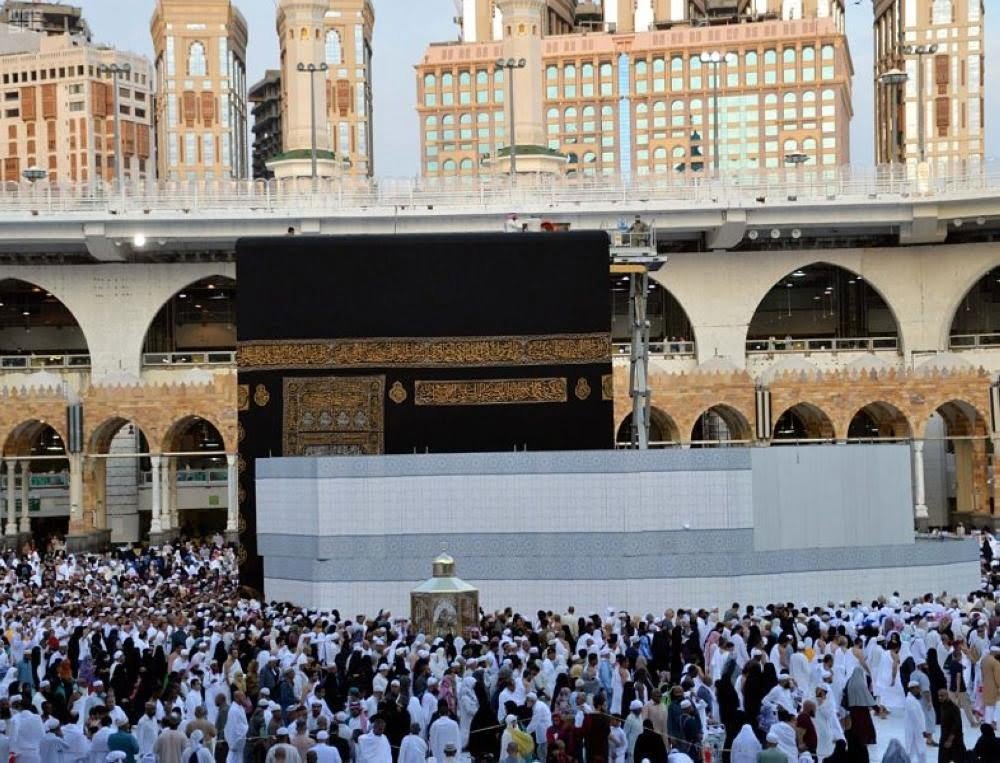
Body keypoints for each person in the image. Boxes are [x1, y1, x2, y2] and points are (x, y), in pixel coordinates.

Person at [937, 688, 965, 763]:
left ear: (947, 696)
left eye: (942, 696)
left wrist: (949, 740)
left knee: (960, 760)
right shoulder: (942, 706)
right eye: (939, 696)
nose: (940, 697)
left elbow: (957, 725)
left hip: (955, 740)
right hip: (944, 738)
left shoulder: (954, 708)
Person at [903, 680, 926, 763]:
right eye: (918, 688)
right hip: (914, 731)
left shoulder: (912, 700)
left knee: (920, 752)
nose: (919, 690)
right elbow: (915, 718)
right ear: (912, 689)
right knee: (912, 752)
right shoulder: (910, 701)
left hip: (916, 731)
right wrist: (921, 731)